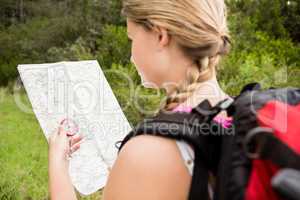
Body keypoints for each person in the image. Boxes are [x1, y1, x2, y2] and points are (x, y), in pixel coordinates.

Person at [48, 0, 232, 199]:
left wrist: (58, 164)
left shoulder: (146, 153)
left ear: (161, 36)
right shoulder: (246, 115)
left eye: (131, 39)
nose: (130, 56)